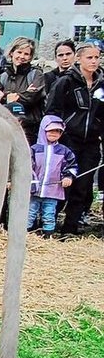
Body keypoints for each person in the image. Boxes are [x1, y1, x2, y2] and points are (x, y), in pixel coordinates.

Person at [45, 42, 103, 235]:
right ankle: (49, 224)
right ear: (79, 59)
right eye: (89, 57)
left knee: (83, 184)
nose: (94, 61)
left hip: (92, 141)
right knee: (64, 183)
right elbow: (53, 110)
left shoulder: (101, 84)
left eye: (97, 57)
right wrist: (59, 134)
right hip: (69, 139)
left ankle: (70, 227)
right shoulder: (66, 82)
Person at [27, 115, 77, 237]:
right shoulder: (34, 149)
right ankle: (26, 235)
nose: (54, 133)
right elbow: (26, 167)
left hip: (53, 190)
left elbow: (72, 166)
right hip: (33, 190)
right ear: (43, 130)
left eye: (58, 131)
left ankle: (47, 235)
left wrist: (68, 177)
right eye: (51, 130)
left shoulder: (64, 151)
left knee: (49, 214)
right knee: (29, 213)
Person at [0, 36, 45, 144]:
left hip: (29, 128)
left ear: (31, 57)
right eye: (19, 52)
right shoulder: (3, 77)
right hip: (5, 126)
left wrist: (5, 96)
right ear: (12, 53)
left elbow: (31, 97)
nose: (22, 57)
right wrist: (9, 97)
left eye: (26, 54)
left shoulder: (36, 75)